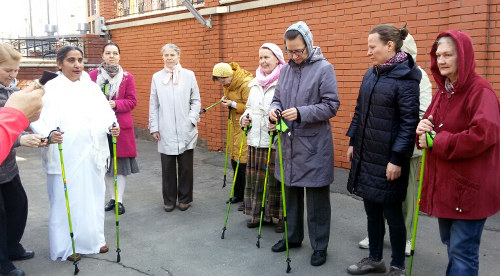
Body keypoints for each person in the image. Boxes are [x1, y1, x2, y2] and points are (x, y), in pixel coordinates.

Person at [416, 30, 500, 276]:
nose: (441, 60)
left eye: (448, 55)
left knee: (463, 254)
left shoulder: (480, 91)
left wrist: (436, 141)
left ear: (463, 56)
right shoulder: (444, 91)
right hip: (447, 187)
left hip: (468, 189)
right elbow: (428, 129)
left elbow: (483, 135)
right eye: (438, 55)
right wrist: (421, 129)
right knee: (453, 248)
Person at [31, 46, 119, 262]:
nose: (77, 64)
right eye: (71, 60)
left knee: (93, 196)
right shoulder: (50, 88)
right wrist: (48, 134)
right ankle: (67, 246)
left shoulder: (90, 86)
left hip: (91, 152)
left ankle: (94, 240)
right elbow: (34, 116)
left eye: (80, 60)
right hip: (65, 153)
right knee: (66, 200)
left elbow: (105, 112)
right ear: (59, 64)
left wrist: (112, 126)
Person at [346, 24, 420, 276]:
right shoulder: (372, 73)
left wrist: (397, 159)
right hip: (367, 155)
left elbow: (409, 123)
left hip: (389, 159)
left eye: (372, 47)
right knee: (372, 210)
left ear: (390, 46)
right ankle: (375, 259)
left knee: (393, 214)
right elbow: (359, 110)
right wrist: (353, 141)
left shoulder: (407, 78)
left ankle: (397, 265)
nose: (368, 52)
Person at [268, 21, 340, 267]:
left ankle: (320, 247)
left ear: (308, 44)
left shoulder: (324, 68)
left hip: (314, 147)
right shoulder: (286, 70)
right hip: (288, 144)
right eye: (290, 51)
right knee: (291, 196)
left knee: (317, 201)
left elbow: (332, 105)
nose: (295, 56)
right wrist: (274, 110)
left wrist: (301, 112)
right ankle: (293, 237)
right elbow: (276, 98)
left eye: (299, 50)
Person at [357, 33, 432, 257]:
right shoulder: (375, 72)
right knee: (377, 195)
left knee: (405, 197)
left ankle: (406, 237)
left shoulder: (417, 75)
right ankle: (376, 237)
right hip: (380, 147)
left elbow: (420, 113)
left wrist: (400, 142)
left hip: (407, 148)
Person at [0, 43, 44, 276]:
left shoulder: (12, 90)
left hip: (8, 165)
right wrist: (20, 140)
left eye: (16, 70)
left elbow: (21, 121)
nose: (13, 75)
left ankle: (11, 247)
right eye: (8, 70)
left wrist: (38, 135)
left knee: (18, 205)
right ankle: (2, 265)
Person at [149, 43, 201, 212]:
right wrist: (154, 127)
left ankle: (185, 198)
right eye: (166, 55)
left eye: (172, 55)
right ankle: (169, 200)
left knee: (186, 167)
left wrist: (192, 119)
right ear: (162, 57)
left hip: (186, 128)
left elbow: (195, 100)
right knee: (168, 167)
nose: (169, 58)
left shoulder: (189, 75)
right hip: (166, 128)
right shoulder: (157, 77)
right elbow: (154, 104)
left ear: (179, 56)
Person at [89, 42, 139, 215]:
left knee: (120, 165)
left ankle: (119, 200)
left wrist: (114, 104)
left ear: (119, 56)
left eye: (115, 53)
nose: (112, 56)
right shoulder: (92, 76)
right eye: (108, 53)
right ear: (102, 55)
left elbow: (132, 101)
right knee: (105, 163)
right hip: (99, 127)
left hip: (121, 127)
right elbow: (86, 100)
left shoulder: (127, 77)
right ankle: (111, 197)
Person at [240, 43, 285, 231]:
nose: (263, 61)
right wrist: (244, 119)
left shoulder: (284, 81)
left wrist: (280, 125)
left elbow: (289, 111)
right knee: (257, 180)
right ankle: (260, 215)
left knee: (276, 181)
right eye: (260, 57)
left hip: (275, 141)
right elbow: (249, 108)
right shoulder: (254, 82)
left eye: (267, 57)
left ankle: (282, 217)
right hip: (256, 139)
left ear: (277, 58)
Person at [212, 62, 253, 209]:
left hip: (245, 125)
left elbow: (251, 107)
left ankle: (248, 199)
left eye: (223, 80)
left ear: (230, 75)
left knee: (244, 161)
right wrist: (226, 101)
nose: (222, 84)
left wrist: (233, 104)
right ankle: (238, 193)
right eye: (220, 81)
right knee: (235, 158)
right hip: (234, 125)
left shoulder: (246, 83)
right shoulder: (228, 84)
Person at [0, 86, 44, 163]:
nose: (12, 75)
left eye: (15, 72)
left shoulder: (14, 91)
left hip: (10, 167)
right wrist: (19, 139)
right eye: (7, 72)